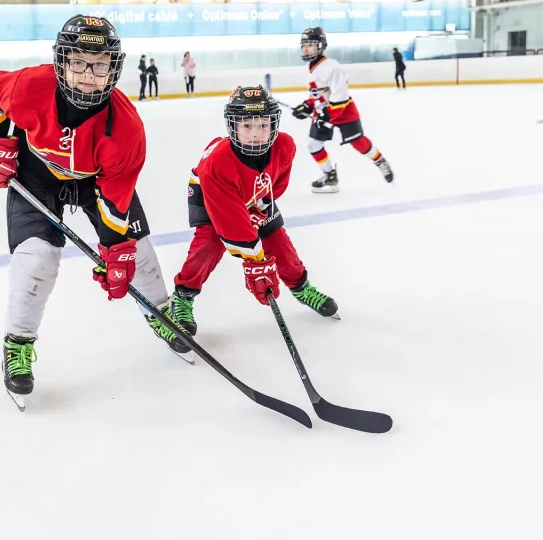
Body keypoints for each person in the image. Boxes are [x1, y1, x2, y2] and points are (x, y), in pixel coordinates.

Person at [0, 15, 187, 400]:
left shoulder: (126, 130)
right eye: (78, 62)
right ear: (62, 62)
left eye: (100, 64)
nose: (89, 74)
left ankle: (160, 312)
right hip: (36, 174)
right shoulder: (28, 86)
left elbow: (115, 199)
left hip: (93, 182)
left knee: (137, 253)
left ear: (113, 69)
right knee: (36, 260)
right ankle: (17, 344)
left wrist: (115, 248)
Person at [168, 86, 338, 336]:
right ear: (233, 127)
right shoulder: (217, 163)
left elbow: (276, 184)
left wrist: (259, 208)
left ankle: (301, 287)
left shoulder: (285, 146)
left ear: (273, 124)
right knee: (209, 244)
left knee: (279, 242)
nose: (256, 133)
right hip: (210, 196)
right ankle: (183, 297)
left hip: (255, 196)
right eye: (247, 126)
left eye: (262, 125)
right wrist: (257, 263)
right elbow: (232, 225)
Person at [291, 27, 394, 192]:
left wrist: (327, 116)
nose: (305, 48)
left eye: (310, 44)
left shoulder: (332, 66)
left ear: (320, 46)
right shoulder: (308, 67)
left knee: (358, 142)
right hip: (323, 112)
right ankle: (330, 175)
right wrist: (307, 106)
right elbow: (317, 93)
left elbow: (340, 95)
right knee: (313, 144)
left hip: (343, 112)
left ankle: (380, 161)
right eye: (304, 45)